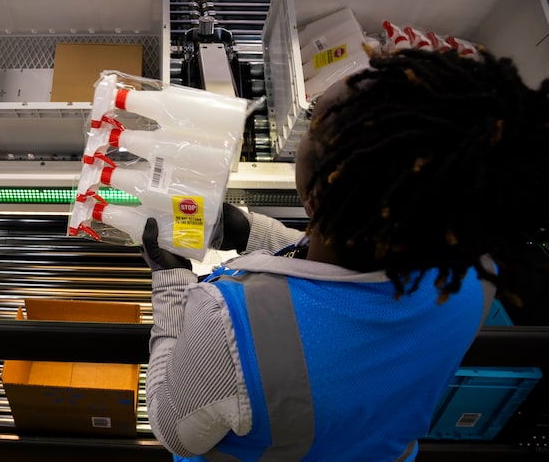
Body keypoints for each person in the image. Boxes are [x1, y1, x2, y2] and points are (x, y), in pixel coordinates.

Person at [140, 48, 549, 461]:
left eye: (315, 121)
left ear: (316, 191)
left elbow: (174, 430)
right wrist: (256, 233)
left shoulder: (228, 325)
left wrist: (172, 284)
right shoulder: (474, 275)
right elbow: (356, 274)